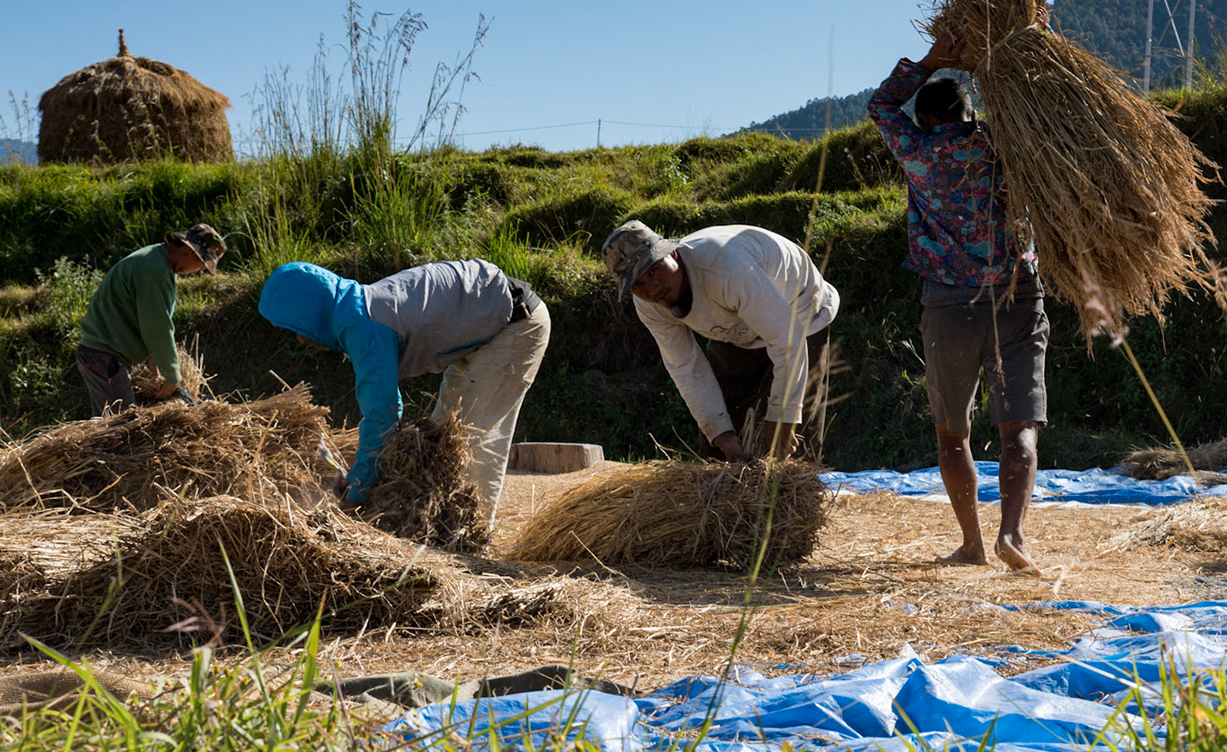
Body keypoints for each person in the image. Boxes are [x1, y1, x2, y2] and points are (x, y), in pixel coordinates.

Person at [869, 29, 1046, 571]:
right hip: (1018, 294)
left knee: (953, 431)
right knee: (1019, 427)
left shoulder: (918, 151)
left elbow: (881, 106)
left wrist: (929, 61)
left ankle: (973, 544)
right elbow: (1045, 111)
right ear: (970, 111)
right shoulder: (1009, 143)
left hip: (949, 304)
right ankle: (1012, 535)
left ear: (926, 119)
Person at [257, 258, 549, 522]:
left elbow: (382, 418)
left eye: (298, 325)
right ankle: (438, 524)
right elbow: (385, 412)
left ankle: (473, 537)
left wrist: (357, 494)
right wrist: (360, 478)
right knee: (443, 438)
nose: (300, 338)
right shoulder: (357, 308)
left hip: (516, 324)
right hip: (487, 319)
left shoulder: (364, 325)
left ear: (311, 311)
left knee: (469, 442)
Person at [602, 220, 838, 463]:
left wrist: (782, 418)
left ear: (671, 253)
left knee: (790, 449)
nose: (652, 288)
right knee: (719, 452)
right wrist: (721, 435)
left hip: (797, 311)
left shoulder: (726, 268)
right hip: (734, 327)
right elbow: (685, 366)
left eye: (653, 270)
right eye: (637, 284)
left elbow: (788, 339)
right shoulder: (648, 305)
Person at [74, 222, 226, 416]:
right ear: (190, 252)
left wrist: (151, 358)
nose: (197, 272)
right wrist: (172, 376)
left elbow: (137, 315)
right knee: (119, 424)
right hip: (104, 355)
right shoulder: (154, 271)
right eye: (201, 266)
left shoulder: (157, 260)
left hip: (104, 353)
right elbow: (157, 327)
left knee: (116, 421)